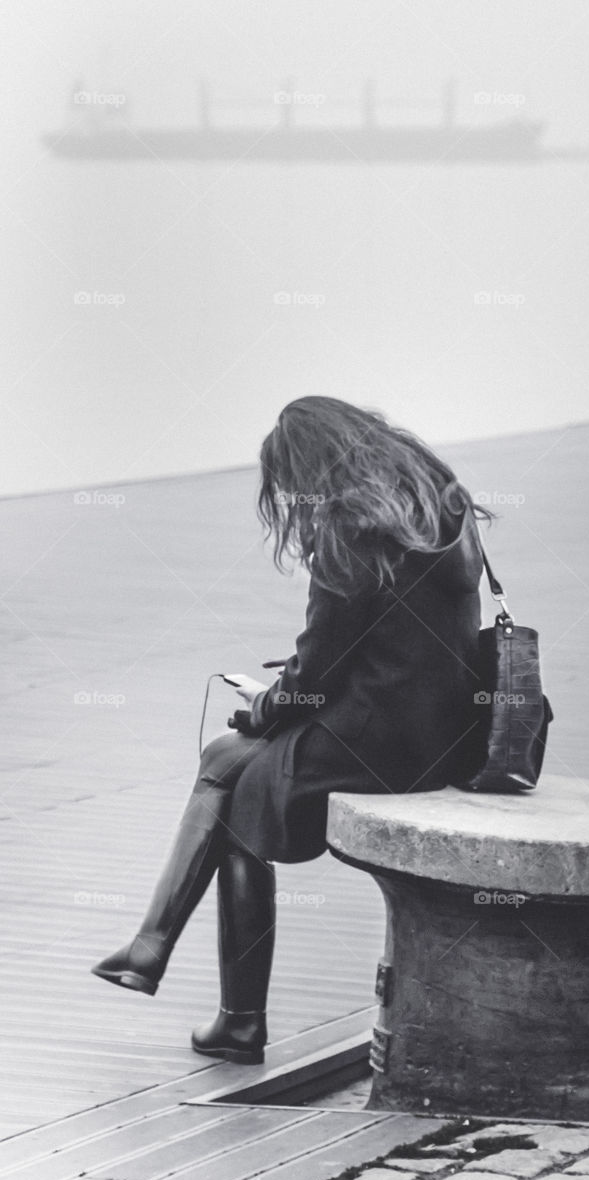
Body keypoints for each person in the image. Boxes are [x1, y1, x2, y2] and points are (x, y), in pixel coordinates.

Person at [92, 395, 490, 1064]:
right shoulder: (438, 499)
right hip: (447, 733)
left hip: (377, 743)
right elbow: (386, 639)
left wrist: (262, 708)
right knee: (229, 764)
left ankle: (224, 1008)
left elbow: (320, 668)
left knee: (236, 792)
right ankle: (157, 952)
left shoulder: (350, 528)